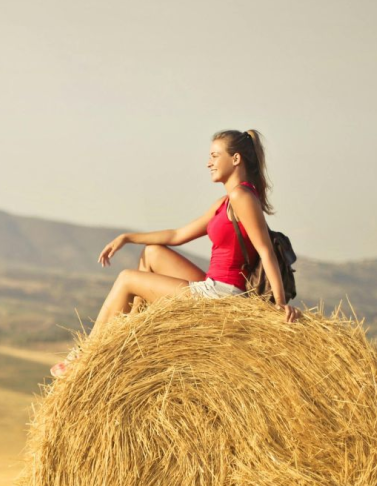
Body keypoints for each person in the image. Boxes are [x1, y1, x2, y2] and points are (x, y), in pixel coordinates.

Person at [50, 129, 300, 377]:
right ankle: (130, 334)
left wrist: (278, 305)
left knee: (127, 278)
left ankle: (84, 357)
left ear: (236, 159)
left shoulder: (241, 197)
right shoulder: (224, 203)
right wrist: (127, 238)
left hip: (222, 296)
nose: (208, 163)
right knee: (153, 253)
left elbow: (265, 250)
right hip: (212, 286)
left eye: (215, 155)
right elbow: (177, 236)